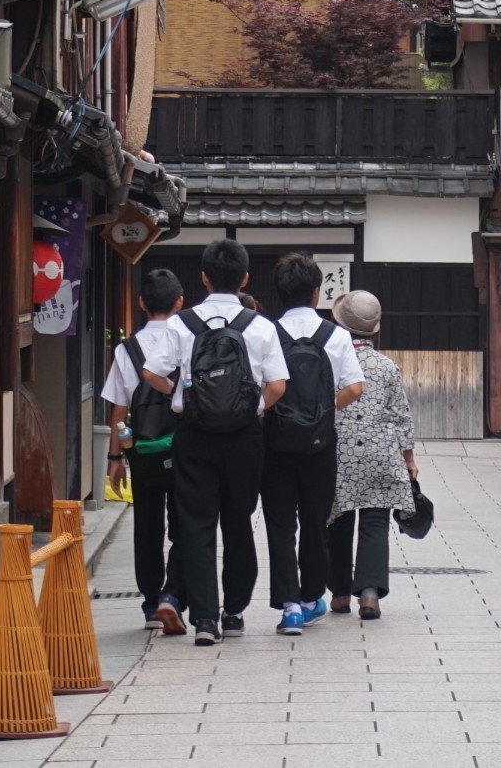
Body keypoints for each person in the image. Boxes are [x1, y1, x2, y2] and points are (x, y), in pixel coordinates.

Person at [142, 239, 290, 646]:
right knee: (238, 521)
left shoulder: (180, 323)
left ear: (203, 277)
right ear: (245, 278)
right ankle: (235, 612)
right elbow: (278, 384)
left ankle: (205, 620)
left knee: (196, 524)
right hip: (245, 437)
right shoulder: (259, 326)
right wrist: (251, 407)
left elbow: (151, 372)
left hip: (194, 435)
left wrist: (182, 396)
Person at [263, 253, 364, 637]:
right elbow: (355, 387)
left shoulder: (267, 332)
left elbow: (265, 387)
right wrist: (323, 411)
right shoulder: (335, 335)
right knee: (315, 522)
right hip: (321, 444)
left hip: (276, 442)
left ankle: (288, 607)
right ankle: (309, 600)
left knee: (280, 523)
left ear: (279, 293)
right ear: (317, 293)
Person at [101, 269, 190, 634]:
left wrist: (115, 458)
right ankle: (173, 594)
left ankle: (151, 602)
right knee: (185, 523)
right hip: (184, 447)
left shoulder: (127, 349)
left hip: (143, 449)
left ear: (141, 303)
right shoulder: (187, 340)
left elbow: (119, 412)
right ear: (180, 303)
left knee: (147, 525)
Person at [324, 290, 417, 619]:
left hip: (338, 450)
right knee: (375, 522)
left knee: (337, 520)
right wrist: (409, 461)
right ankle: (368, 594)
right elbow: (401, 417)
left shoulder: (330, 360)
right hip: (382, 451)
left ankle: (338, 594)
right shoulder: (387, 367)